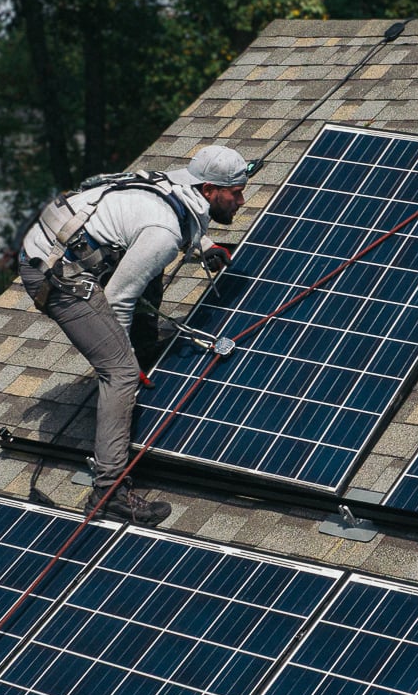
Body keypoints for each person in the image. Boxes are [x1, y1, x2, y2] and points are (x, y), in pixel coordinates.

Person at [18, 144, 247, 524]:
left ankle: (141, 350)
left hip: (72, 243)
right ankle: (108, 492)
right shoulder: (163, 231)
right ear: (208, 189)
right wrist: (126, 359)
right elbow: (119, 299)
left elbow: (162, 225)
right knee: (120, 372)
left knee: (151, 269)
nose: (241, 200)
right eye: (234, 192)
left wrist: (203, 244)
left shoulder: (178, 187)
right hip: (55, 272)